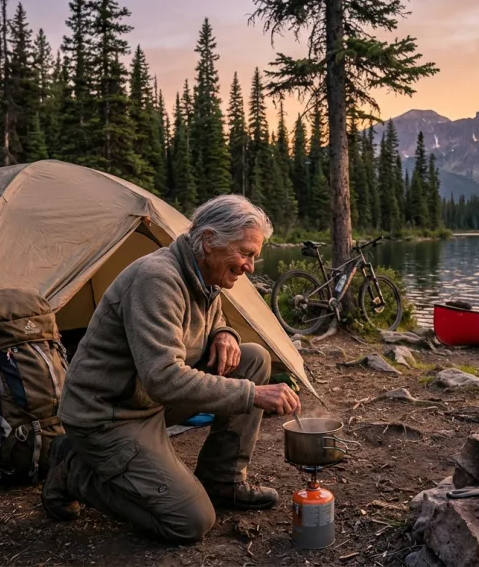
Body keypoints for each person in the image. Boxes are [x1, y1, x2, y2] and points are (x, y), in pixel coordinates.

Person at [41, 195, 301, 543]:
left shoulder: (205, 273)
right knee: (190, 520)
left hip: (147, 399)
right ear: (209, 240)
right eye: (246, 252)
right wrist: (253, 394)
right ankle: (71, 472)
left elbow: (207, 318)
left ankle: (224, 480)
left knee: (251, 357)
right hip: (108, 415)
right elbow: (163, 377)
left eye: (254, 255)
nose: (250, 266)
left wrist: (225, 332)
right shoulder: (157, 279)